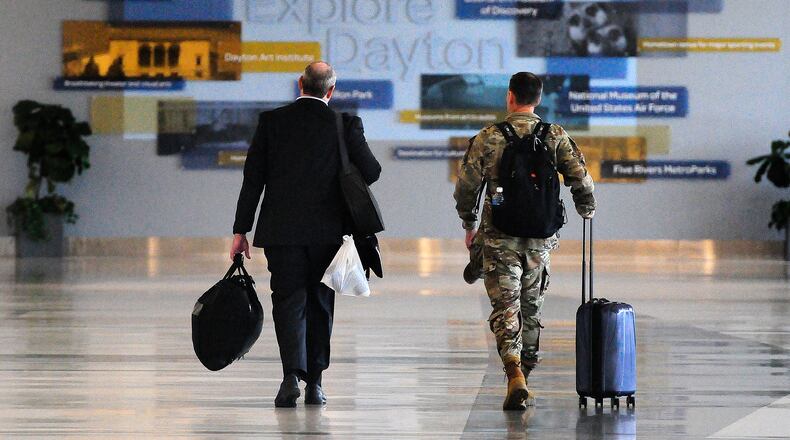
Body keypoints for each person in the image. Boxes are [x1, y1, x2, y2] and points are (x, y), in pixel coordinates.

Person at [230, 61, 382, 408]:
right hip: (330, 232)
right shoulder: (345, 124)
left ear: (300, 84)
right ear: (331, 90)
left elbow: (252, 180)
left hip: (282, 232)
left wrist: (241, 230)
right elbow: (371, 172)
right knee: (320, 304)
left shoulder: (272, 122)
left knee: (287, 302)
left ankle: (289, 379)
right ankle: (315, 383)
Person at [454, 72, 595, 410]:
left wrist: (470, 223)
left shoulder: (488, 137)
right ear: (538, 99)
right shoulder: (555, 135)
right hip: (540, 238)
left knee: (506, 307)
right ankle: (525, 377)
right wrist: (586, 209)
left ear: (510, 97)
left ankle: (513, 370)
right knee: (531, 308)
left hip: (498, 237)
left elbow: (466, 188)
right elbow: (581, 179)